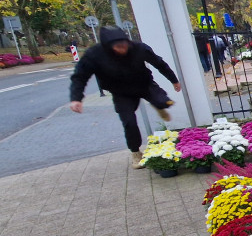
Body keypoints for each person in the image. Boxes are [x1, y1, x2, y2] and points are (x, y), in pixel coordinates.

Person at [68, 26, 181, 169]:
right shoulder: (94, 54)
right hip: (121, 92)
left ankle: (160, 105)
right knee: (129, 123)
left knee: (164, 101)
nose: (123, 49)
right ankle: (135, 153)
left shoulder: (139, 48)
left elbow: (159, 63)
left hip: (144, 84)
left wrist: (174, 80)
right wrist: (76, 98)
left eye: (124, 45)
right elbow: (79, 77)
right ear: (108, 47)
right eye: (118, 47)